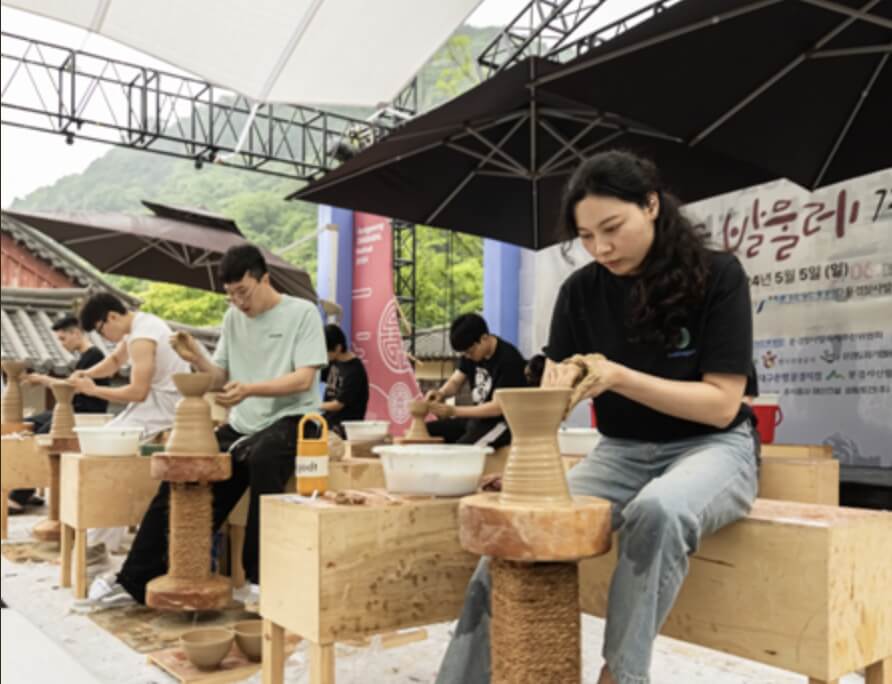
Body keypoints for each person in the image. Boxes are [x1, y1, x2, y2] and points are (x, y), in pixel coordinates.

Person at [436, 150, 760, 684]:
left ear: (651, 205)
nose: (601, 247)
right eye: (586, 236)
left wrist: (620, 377)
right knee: (518, 534)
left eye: (613, 228)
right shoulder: (580, 292)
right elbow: (550, 398)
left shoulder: (718, 276)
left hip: (715, 446)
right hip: (622, 451)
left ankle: (621, 677)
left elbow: (723, 403)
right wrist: (549, 402)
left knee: (659, 511)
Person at [84, 244, 327, 607]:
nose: (238, 302)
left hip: (294, 419)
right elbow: (218, 378)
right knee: (186, 470)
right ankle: (133, 580)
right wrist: (196, 356)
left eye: (243, 292)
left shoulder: (302, 313)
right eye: (230, 295)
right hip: (244, 423)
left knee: (259, 459)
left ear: (265, 279)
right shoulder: (233, 319)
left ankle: (261, 580)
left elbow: (304, 379)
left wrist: (250, 389)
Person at [72, 292, 191, 563]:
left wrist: (93, 391)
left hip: (166, 406)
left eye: (102, 330)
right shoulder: (140, 325)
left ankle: (97, 546)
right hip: (155, 403)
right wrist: (87, 374)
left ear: (112, 317)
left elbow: (137, 392)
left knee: (105, 454)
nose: (106, 337)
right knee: (105, 451)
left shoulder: (141, 337)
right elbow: (114, 363)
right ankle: (100, 542)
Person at [8, 316, 109, 515]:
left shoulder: (94, 355)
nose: (62, 344)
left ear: (76, 333)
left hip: (85, 413)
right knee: (26, 425)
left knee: (44, 438)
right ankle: (25, 487)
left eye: (63, 339)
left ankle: (20, 495)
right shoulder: (84, 357)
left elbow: (70, 387)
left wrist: (42, 378)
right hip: (70, 410)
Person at [424, 313, 527, 449]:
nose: (467, 356)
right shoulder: (471, 352)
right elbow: (455, 381)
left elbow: (497, 408)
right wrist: (441, 393)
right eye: (464, 354)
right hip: (476, 419)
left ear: (484, 338)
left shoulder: (509, 360)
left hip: (502, 424)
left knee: (461, 453)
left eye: (469, 352)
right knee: (425, 433)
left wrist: (453, 411)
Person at [320, 324, 369, 437]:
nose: (324, 355)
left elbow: (338, 404)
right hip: (328, 422)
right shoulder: (333, 361)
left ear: (338, 348)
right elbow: (315, 376)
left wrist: (314, 405)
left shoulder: (354, 370)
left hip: (345, 429)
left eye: (326, 351)